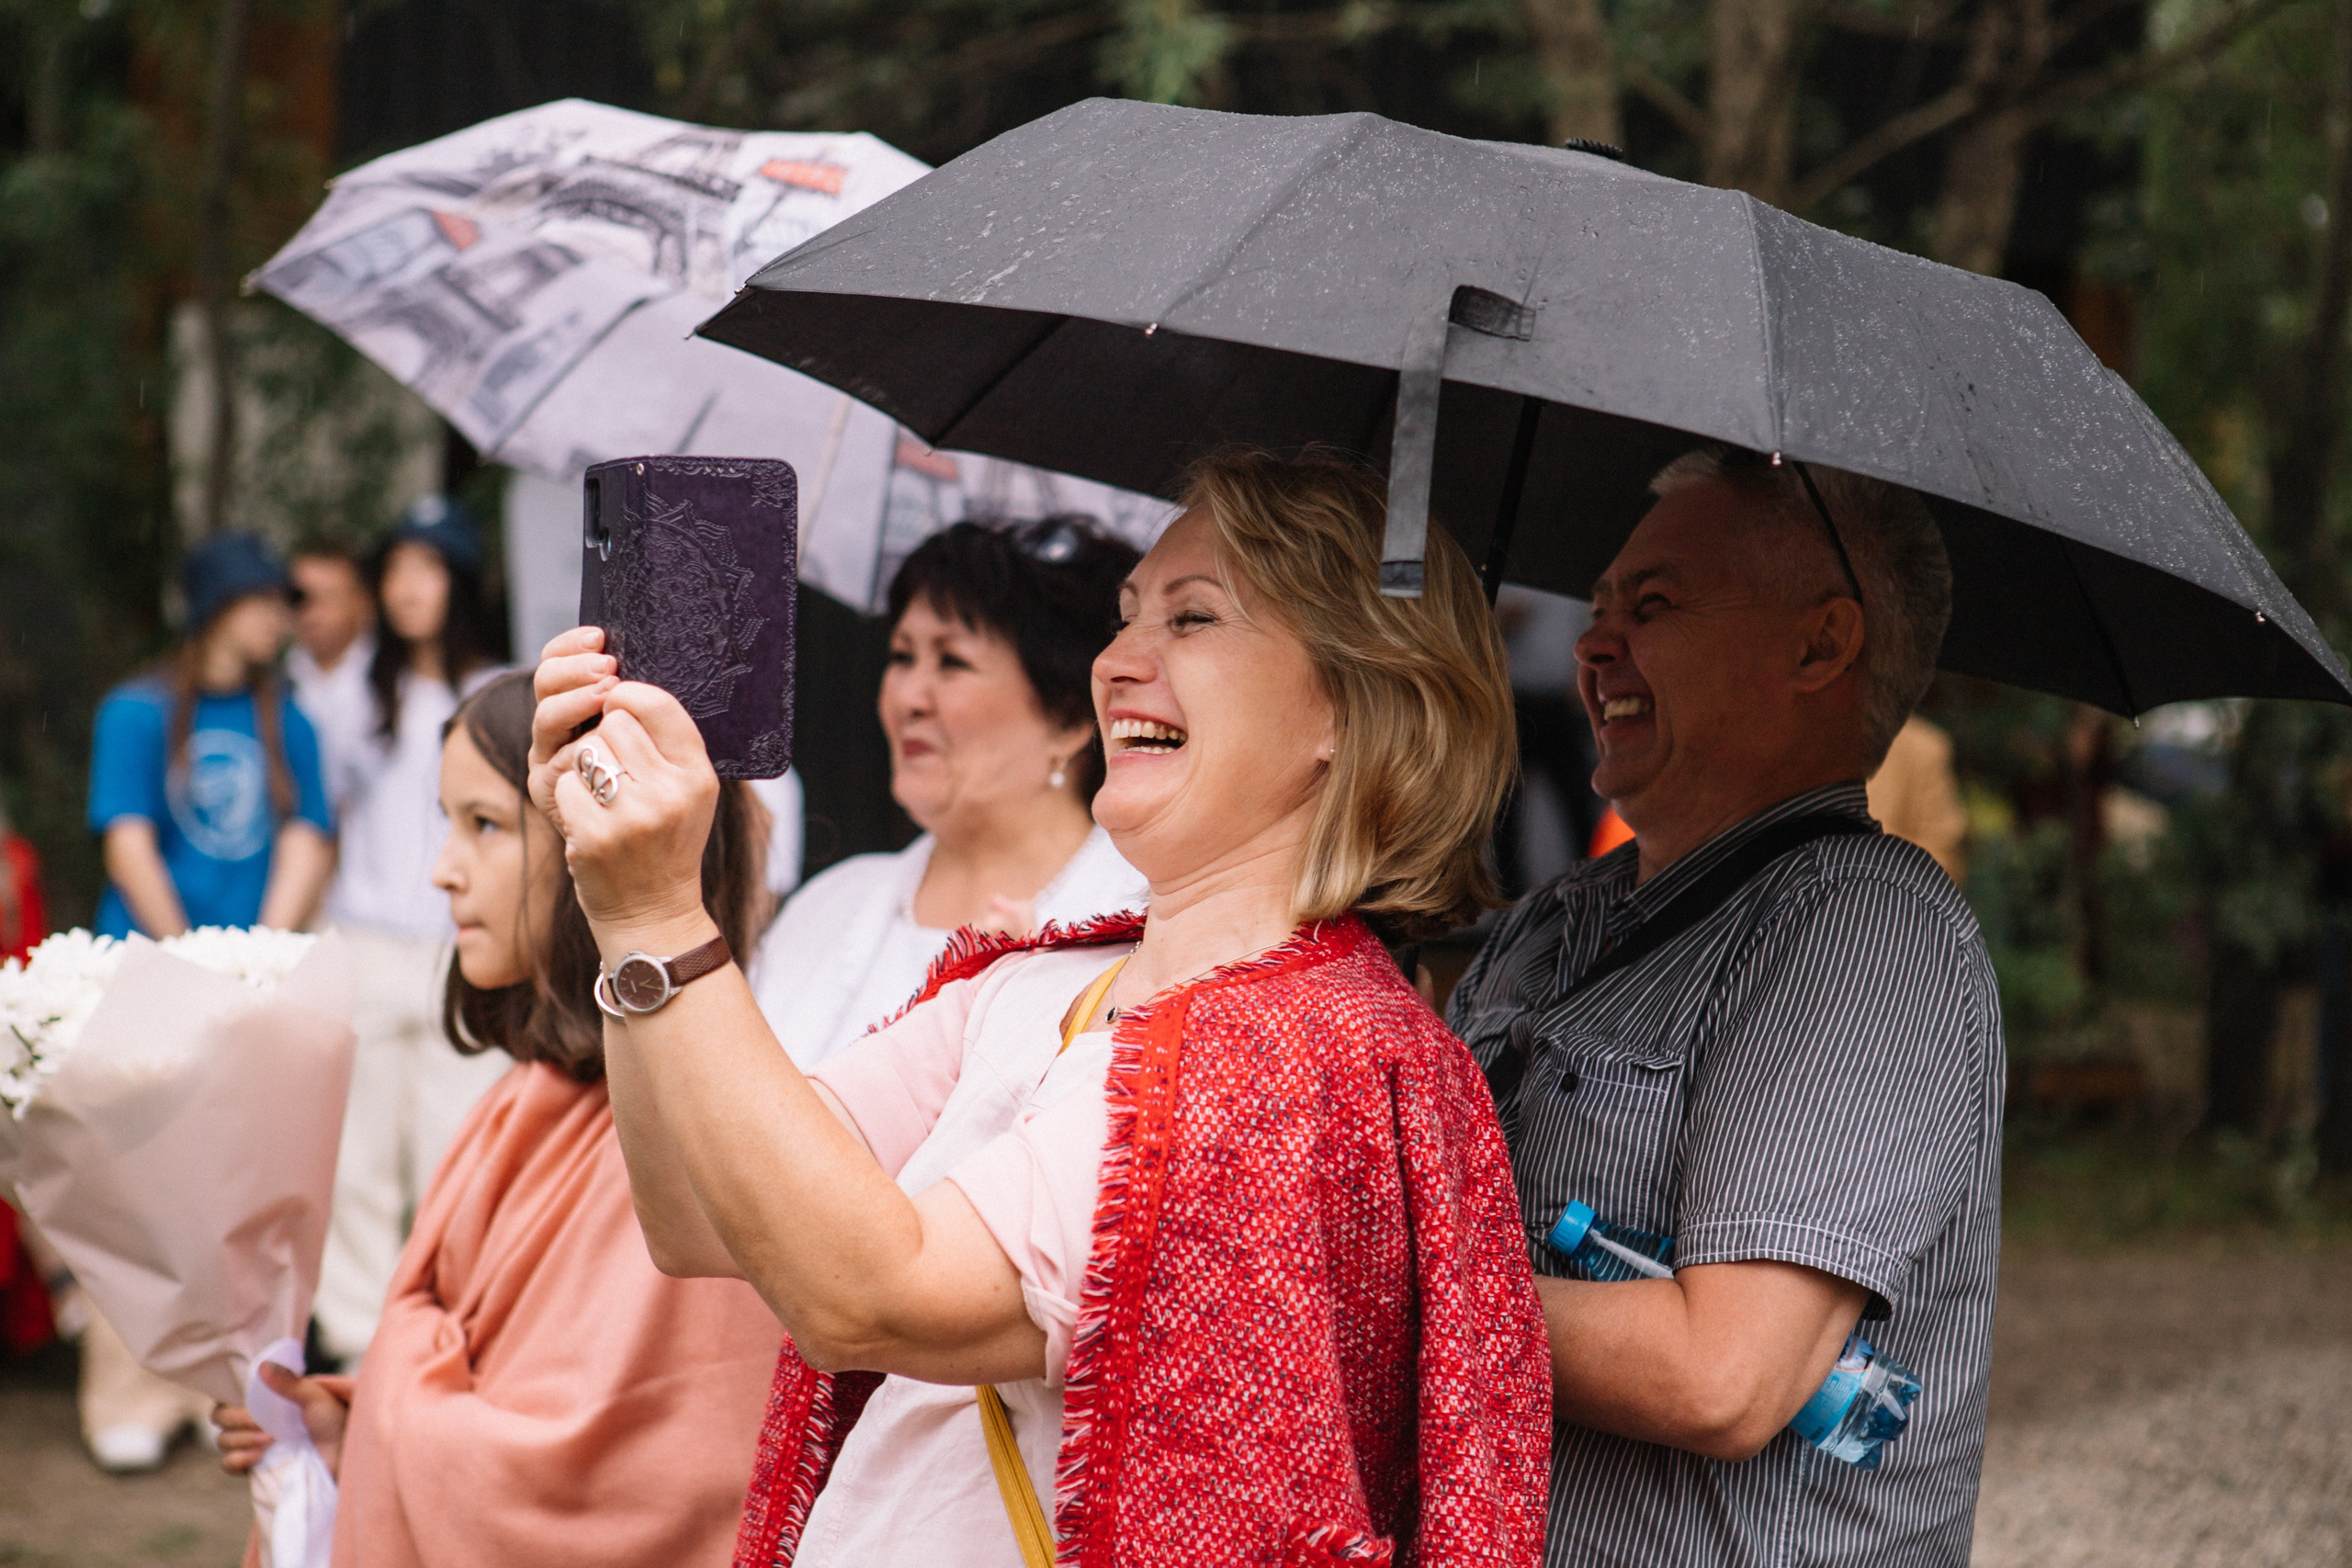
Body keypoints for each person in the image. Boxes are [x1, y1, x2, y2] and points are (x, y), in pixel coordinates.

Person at [529, 450, 1552, 1566]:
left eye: (1193, 620)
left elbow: (868, 1294)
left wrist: (666, 914)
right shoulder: (1046, 981)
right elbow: (692, 1213)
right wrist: (624, 915)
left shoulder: (1290, 1052)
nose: (1118, 661)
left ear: (1351, 710)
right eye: (1127, 618)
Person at [1447, 445, 2004, 1568]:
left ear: (1820, 643)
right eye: (1598, 609)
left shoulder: (1868, 927)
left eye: (1651, 607)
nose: (1593, 647)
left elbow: (1724, 1373)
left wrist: (1365, 1273)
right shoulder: (1549, 920)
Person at [213, 671, 784, 1566]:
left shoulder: (685, 1125)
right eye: (446, 822)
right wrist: (352, 1424)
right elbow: (499, 1375)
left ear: (597, 839)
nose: (442, 869)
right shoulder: (529, 1093)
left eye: (483, 825)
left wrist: (394, 1391)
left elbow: (640, 1480)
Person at [81, 531, 335, 1470]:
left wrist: (258, 956)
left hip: (249, 990)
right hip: (148, 981)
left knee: (236, 1199)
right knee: (133, 1194)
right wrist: (193, 957)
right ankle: (127, 1396)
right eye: (269, 599)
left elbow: (312, 832)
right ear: (221, 606)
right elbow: (128, 840)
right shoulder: (135, 711)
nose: (284, 617)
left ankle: (216, 1399)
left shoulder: (290, 719)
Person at [751, 517, 1149, 1064]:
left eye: (952, 662)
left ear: (1070, 721)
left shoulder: (1134, 922)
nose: (910, 697)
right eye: (902, 656)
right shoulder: (830, 902)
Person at [313, 496, 512, 1366]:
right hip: (361, 942)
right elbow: (320, 820)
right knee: (355, 1158)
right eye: (395, 569)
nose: (407, 588)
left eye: (427, 569)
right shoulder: (350, 691)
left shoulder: (501, 691)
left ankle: (447, 1333)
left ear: (461, 582)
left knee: (454, 1149)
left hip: (460, 944)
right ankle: (357, 1344)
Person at [287, 539, 379, 818]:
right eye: (301, 599)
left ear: (363, 604)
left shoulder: (392, 685)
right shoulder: (276, 684)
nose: (312, 613)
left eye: (328, 597)